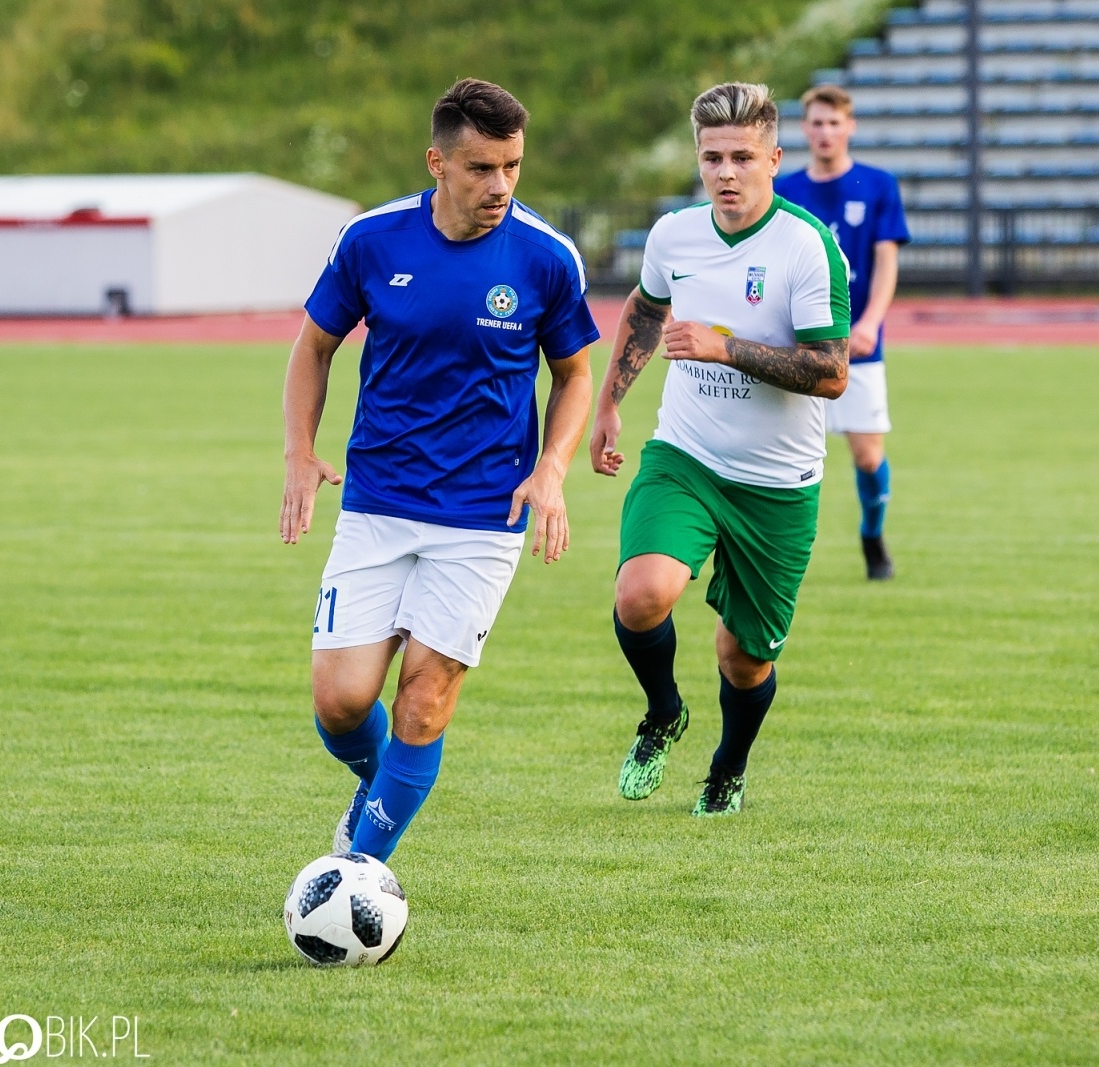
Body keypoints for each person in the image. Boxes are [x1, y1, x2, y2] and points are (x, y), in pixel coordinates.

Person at [280, 78, 598, 861]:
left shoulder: (546, 257)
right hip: (378, 501)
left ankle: (358, 870)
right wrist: (298, 450)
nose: (500, 186)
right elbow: (313, 346)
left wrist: (553, 466)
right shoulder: (372, 239)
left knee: (424, 702)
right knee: (341, 702)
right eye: (482, 169)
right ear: (437, 162)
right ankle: (376, 780)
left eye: (513, 167)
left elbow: (576, 374)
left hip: (484, 513)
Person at [590, 82, 850, 817]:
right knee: (642, 595)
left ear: (774, 157)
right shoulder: (674, 235)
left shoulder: (807, 246)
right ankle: (663, 712)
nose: (727, 172)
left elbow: (831, 372)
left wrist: (724, 346)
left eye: (742, 156)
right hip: (686, 456)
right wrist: (610, 404)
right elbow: (643, 309)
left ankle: (728, 765)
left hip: (777, 482)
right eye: (712, 158)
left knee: (744, 657)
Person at [775, 85, 910, 580]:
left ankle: (873, 535)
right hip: (798, 346)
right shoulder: (786, 189)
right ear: (804, 128)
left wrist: (871, 322)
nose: (825, 132)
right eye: (816, 122)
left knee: (868, 455)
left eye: (834, 123)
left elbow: (886, 261)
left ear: (849, 127)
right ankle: (773, 549)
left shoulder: (878, 185)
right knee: (776, 451)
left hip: (859, 347)